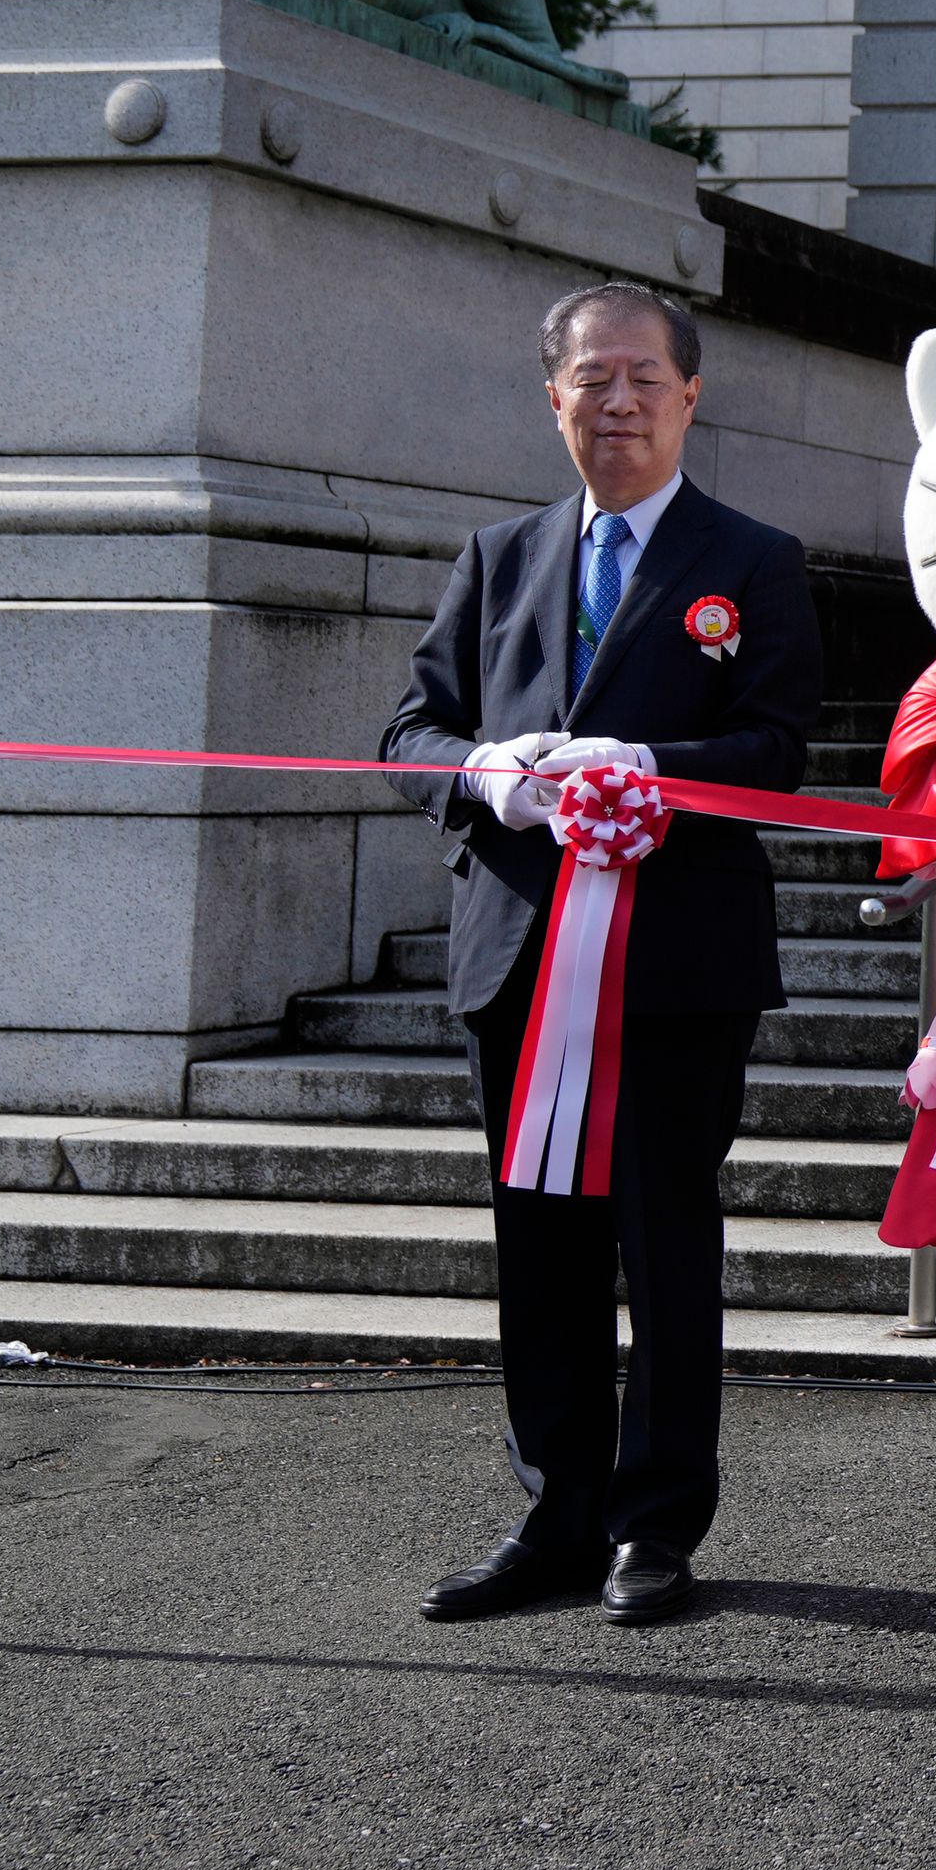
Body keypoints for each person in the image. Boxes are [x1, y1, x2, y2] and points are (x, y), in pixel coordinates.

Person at [382, 284, 823, 1626]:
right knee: (540, 1246)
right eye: (593, 379)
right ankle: (555, 1510)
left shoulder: (755, 558)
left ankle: (655, 1524)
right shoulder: (498, 556)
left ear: (690, 398)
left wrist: (646, 768)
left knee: (666, 1242)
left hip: (674, 968)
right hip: (517, 957)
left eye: (644, 378)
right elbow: (409, 730)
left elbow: (779, 757)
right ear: (553, 397)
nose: (617, 400)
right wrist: (485, 776)